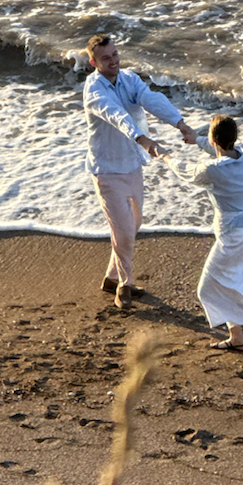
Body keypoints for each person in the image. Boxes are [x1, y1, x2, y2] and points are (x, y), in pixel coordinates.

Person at [83, 32, 198, 309]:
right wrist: (144, 140)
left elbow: (151, 98)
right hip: (107, 170)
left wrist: (180, 124)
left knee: (134, 224)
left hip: (132, 165)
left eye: (115, 55)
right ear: (93, 62)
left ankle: (111, 277)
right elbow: (116, 115)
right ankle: (125, 284)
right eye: (106, 58)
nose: (113, 62)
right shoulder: (93, 90)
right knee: (122, 231)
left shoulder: (130, 79)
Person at [187, 112, 243, 353]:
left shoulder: (213, 169)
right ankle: (236, 337)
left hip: (233, 238)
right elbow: (219, 153)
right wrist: (196, 139)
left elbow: (189, 172)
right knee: (231, 286)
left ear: (214, 140)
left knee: (207, 288)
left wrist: (163, 156)